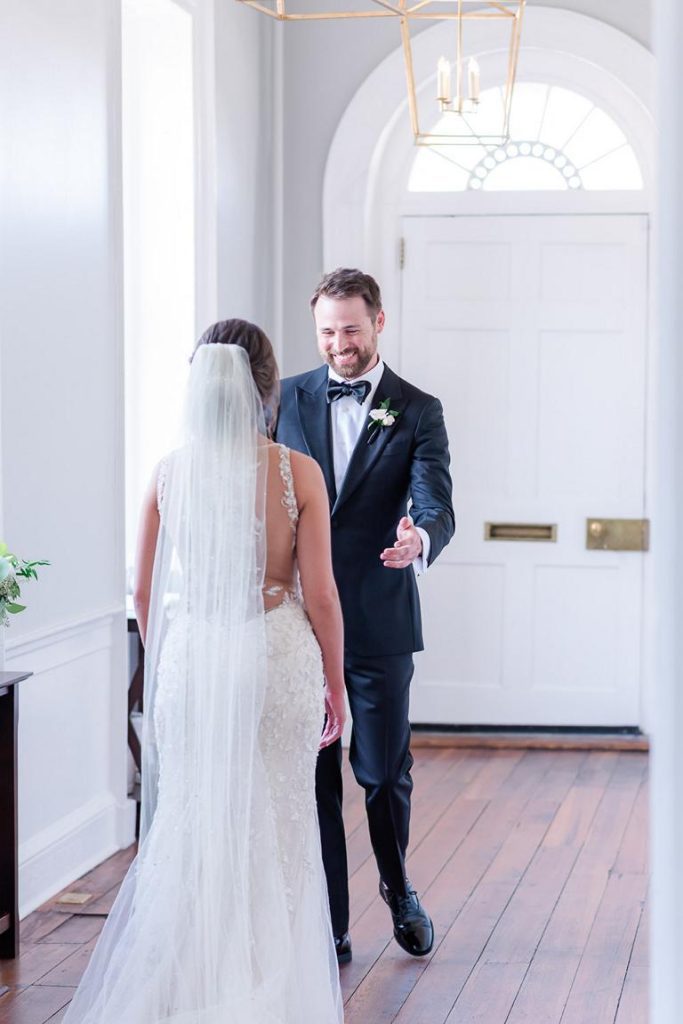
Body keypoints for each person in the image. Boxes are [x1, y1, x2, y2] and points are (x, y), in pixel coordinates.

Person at [62, 321, 346, 1024]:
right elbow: (321, 595)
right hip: (276, 657)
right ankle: (264, 988)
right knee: (277, 824)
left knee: (193, 823)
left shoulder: (170, 472)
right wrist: (335, 686)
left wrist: (175, 659)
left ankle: (183, 990)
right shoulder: (297, 472)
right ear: (266, 388)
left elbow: (142, 591)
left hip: (193, 657)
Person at [276, 268, 455, 963]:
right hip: (299, 622)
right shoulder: (285, 397)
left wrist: (419, 539)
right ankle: (331, 922)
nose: (338, 344)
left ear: (379, 322)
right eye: (326, 332)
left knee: (381, 773)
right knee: (316, 776)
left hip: (379, 619)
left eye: (350, 329)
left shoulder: (418, 410)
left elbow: (435, 501)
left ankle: (398, 886)